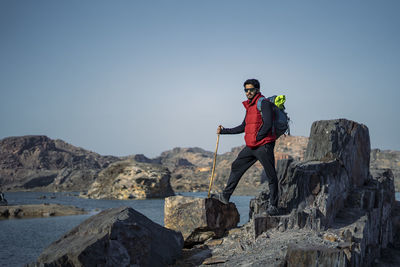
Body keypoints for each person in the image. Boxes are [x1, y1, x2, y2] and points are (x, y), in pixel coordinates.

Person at [212, 78, 279, 215]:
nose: (248, 92)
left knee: (271, 175)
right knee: (236, 165)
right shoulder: (249, 107)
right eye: (246, 90)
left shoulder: (264, 103)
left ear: (257, 90)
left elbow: (267, 124)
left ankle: (274, 206)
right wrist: (225, 131)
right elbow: (243, 127)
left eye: (251, 90)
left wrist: (258, 138)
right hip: (251, 146)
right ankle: (225, 196)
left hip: (263, 145)